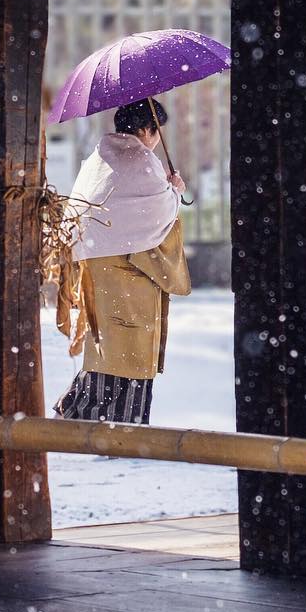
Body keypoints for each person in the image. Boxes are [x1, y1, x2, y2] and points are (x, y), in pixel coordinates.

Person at [55, 97, 191, 424]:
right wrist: (174, 192)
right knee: (129, 348)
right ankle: (121, 422)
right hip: (128, 268)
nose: (157, 139)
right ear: (146, 128)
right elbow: (155, 215)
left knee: (104, 345)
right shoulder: (140, 159)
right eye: (156, 130)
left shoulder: (100, 156)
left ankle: (82, 410)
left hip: (93, 266)